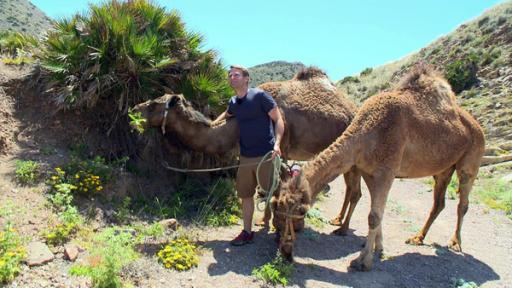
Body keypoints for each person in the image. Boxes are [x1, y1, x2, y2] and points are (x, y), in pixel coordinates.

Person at [214, 65, 284, 246]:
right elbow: (227, 113)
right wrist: (213, 123)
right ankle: (247, 232)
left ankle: (281, 229)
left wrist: (277, 144)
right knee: (246, 195)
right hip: (245, 157)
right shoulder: (234, 102)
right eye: (230, 75)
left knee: (275, 192)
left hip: (266, 155)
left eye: (236, 75)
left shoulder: (260, 96)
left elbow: (278, 119)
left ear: (246, 78)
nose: (232, 77)